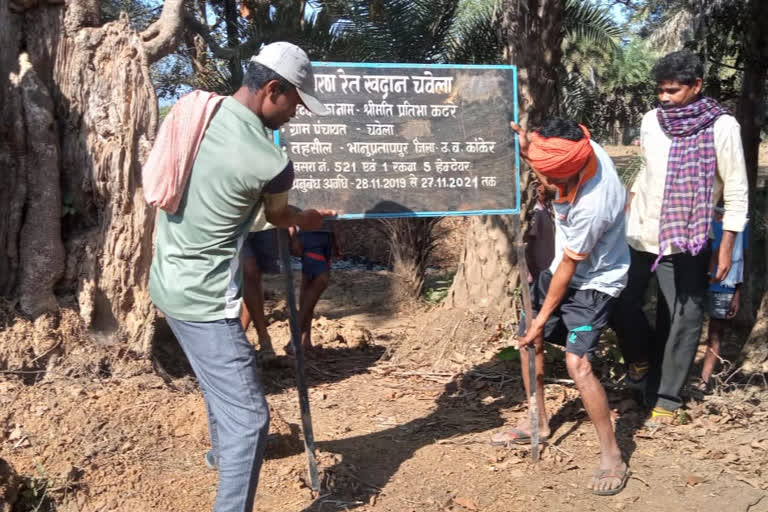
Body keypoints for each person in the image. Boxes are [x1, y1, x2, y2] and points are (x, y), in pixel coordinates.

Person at [148, 42, 334, 512]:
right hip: (205, 300)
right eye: (295, 101)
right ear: (273, 89)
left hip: (166, 282)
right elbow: (277, 217)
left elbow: (215, 197)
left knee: (218, 387)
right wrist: (307, 219)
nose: (296, 113)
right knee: (251, 418)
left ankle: (220, 453)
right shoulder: (270, 162)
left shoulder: (195, 111)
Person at [492, 118, 631, 496]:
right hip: (561, 269)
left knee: (577, 364)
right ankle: (538, 422)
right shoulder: (575, 147)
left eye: (554, 180)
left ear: (573, 169)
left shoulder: (595, 204)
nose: (548, 185)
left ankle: (612, 455)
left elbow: (570, 269)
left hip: (595, 282)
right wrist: (528, 148)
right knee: (528, 340)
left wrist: (541, 319)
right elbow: (545, 157)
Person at [612, 50, 749, 426]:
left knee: (684, 318)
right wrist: (626, 211)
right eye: (660, 90)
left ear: (696, 86)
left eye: (673, 90)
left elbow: (736, 191)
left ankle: (666, 398)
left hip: (687, 240)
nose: (664, 97)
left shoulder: (722, 127)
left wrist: (726, 247)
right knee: (621, 302)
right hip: (641, 232)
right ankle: (640, 362)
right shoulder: (650, 121)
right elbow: (645, 175)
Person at [698, 207, 748, 391]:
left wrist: (737, 294)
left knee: (715, 334)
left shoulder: (741, 223)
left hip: (724, 284)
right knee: (686, 329)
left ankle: (704, 381)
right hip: (696, 280)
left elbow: (743, 258)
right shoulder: (700, 213)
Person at [293, 220, 342, 352]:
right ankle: (295, 335)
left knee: (308, 286)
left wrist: (334, 239)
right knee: (322, 279)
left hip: (325, 236)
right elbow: (291, 207)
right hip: (309, 235)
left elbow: (333, 213)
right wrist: (293, 235)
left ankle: (305, 340)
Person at [240, 208, 279, 361]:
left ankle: (242, 337)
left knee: (253, 279)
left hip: (266, 223)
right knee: (250, 271)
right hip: (234, 224)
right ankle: (263, 337)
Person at [525, 180, 556, 283]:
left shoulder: (546, 208)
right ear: (538, 188)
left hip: (549, 267)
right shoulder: (535, 212)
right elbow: (528, 244)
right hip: (540, 271)